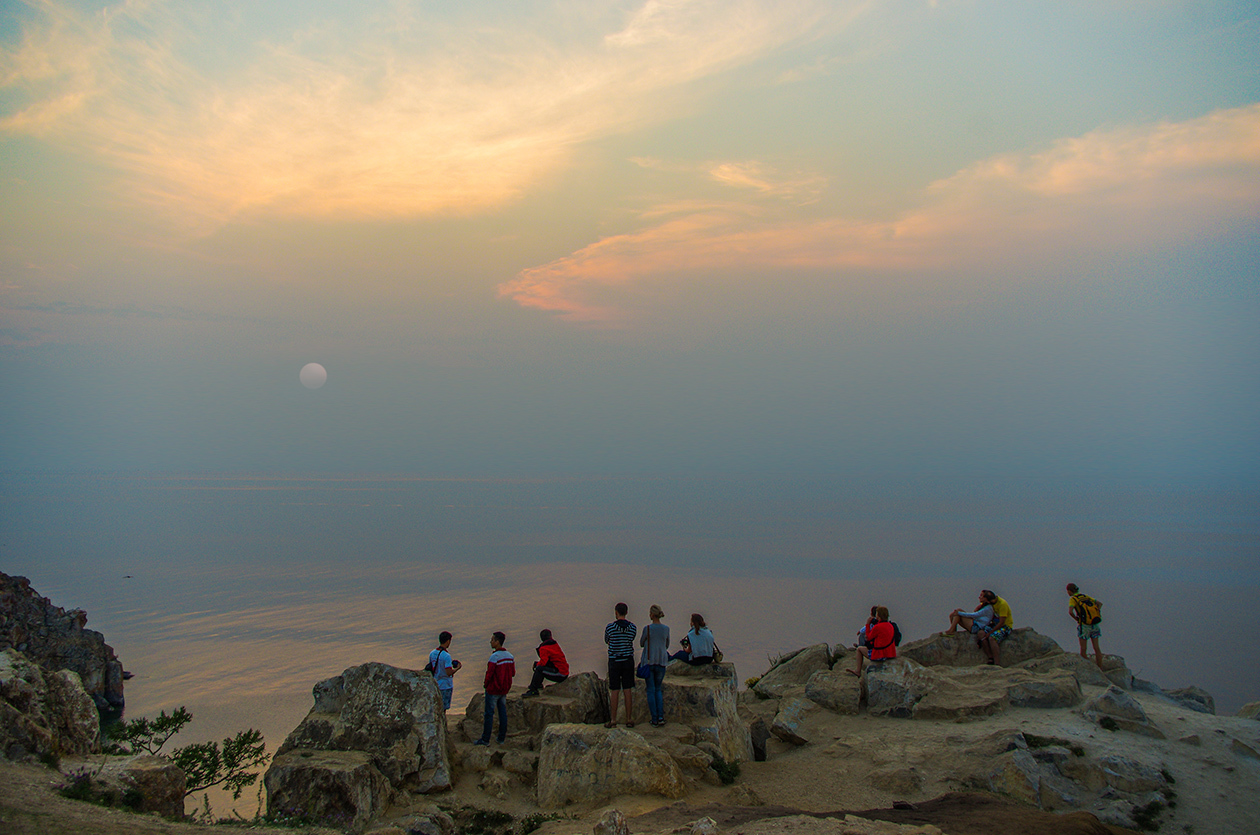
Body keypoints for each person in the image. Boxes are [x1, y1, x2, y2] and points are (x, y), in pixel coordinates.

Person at [473, 631, 515, 746]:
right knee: (502, 713)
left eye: (492, 640)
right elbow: (513, 673)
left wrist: (486, 684)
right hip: (504, 689)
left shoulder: (494, 657)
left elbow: (489, 673)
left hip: (493, 689)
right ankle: (501, 738)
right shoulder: (510, 656)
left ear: (497, 642)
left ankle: (485, 739)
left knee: (489, 714)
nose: (490, 642)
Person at [604, 602, 637, 728]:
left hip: (614, 660)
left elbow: (607, 640)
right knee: (628, 689)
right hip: (628, 660)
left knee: (615, 690)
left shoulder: (610, 627)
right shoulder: (632, 627)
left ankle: (613, 719)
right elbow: (632, 638)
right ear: (626, 612)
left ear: (616, 612)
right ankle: (629, 719)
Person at [639, 604, 670, 726]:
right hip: (661, 661)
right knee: (658, 689)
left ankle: (654, 718)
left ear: (651, 615)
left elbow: (642, 643)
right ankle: (661, 717)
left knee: (651, 690)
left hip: (649, 661)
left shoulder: (647, 629)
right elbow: (666, 645)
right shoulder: (666, 629)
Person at [848, 606, 896, 675]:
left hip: (879, 655)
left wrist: (867, 624)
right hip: (890, 653)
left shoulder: (877, 627)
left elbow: (868, 638)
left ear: (878, 616)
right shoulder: (890, 625)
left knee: (859, 649)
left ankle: (858, 671)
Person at [1066, 583, 1104, 669]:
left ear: (1069, 591)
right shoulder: (1085, 596)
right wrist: (1097, 613)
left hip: (1084, 626)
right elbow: (1100, 604)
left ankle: (1086, 668)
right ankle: (1100, 668)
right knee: (1097, 648)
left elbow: (1070, 612)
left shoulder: (1073, 599)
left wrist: (1077, 619)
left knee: (1083, 649)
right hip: (1095, 624)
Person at [523, 629, 568, 697]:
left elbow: (543, 663)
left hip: (560, 674)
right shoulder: (554, 644)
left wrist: (536, 664)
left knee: (539, 669)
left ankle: (533, 690)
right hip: (564, 672)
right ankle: (538, 685)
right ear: (550, 636)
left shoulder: (544, 648)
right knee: (540, 667)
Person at [427, 631, 462, 710]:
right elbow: (448, 672)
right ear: (448, 641)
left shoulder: (432, 653)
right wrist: (457, 668)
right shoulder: (446, 656)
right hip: (445, 685)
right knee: (443, 708)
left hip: (435, 683)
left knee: (436, 707)